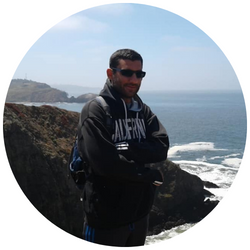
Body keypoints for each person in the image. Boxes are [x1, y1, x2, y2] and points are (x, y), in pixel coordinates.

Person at [77, 49, 169, 246]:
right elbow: (105, 164)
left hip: (139, 214)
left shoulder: (141, 109)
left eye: (139, 74)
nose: (134, 79)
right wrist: (149, 176)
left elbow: (161, 147)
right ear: (111, 74)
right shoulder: (95, 110)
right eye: (127, 73)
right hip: (105, 219)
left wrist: (125, 148)